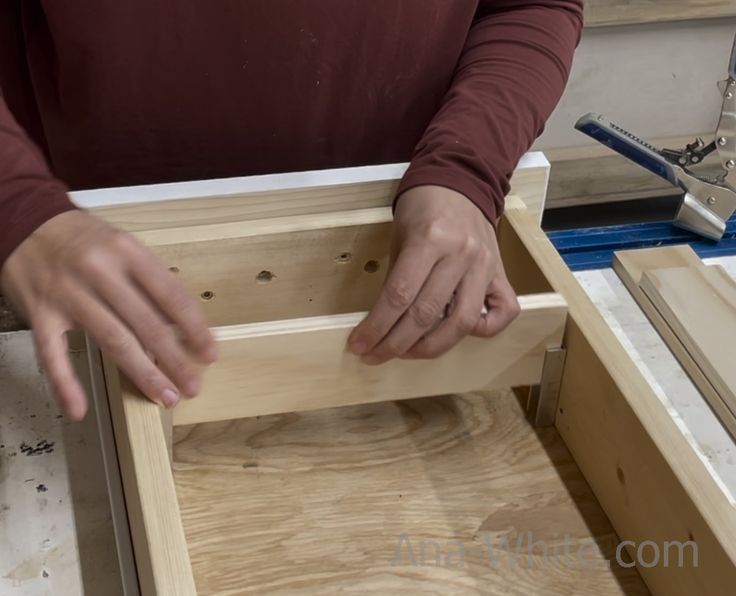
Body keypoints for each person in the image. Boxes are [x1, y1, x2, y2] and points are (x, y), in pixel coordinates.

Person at [0, 1, 583, 421]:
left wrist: (465, 169)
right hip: (69, 256)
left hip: (400, 228)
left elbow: (526, 5)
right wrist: (17, 202)